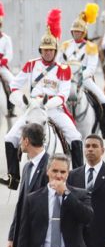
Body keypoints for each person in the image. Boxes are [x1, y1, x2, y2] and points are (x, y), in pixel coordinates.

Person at [1, 13, 83, 190]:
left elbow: (63, 94)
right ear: (40, 50)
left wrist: (47, 104)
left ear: (55, 51)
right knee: (9, 138)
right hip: (33, 108)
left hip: (54, 108)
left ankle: (78, 176)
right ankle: (14, 177)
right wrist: (23, 103)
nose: (48, 52)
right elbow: (14, 85)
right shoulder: (31, 64)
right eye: (45, 50)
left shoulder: (63, 69)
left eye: (51, 50)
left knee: (75, 136)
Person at [58, 7, 105, 140]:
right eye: (75, 32)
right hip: (67, 80)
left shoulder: (91, 47)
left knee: (103, 100)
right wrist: (65, 76)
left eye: (79, 32)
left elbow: (91, 68)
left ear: (84, 32)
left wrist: (79, 77)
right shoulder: (66, 45)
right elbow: (59, 63)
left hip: (84, 79)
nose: (77, 34)